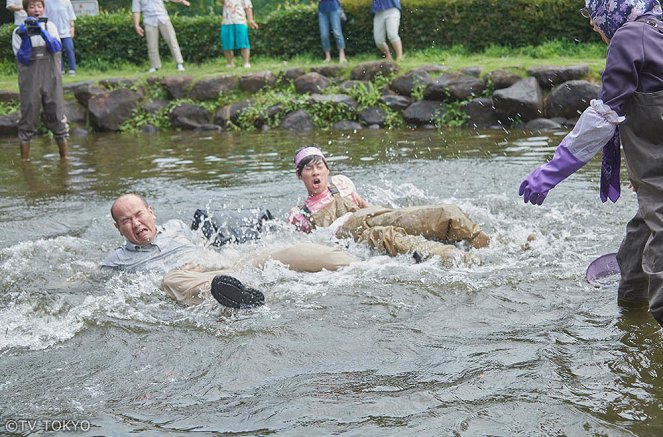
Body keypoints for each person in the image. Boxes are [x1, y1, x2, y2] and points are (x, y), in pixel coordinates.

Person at [518, 0, 663, 327]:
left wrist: (551, 171)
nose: (592, 25)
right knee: (636, 256)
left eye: (593, 17)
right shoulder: (654, 31)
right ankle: (633, 324)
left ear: (612, 12)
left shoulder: (628, 38)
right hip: (655, 177)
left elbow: (603, 118)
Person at [102, 193, 358, 307]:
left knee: (279, 252)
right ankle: (233, 296)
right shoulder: (117, 261)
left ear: (150, 212)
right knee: (170, 279)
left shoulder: (176, 227)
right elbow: (84, 280)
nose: (135, 224)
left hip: (219, 265)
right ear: (118, 227)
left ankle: (359, 265)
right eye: (126, 221)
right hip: (190, 282)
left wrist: (207, 256)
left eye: (138, 214)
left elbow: (204, 244)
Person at [288, 146, 490, 263]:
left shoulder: (342, 184)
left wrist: (393, 214)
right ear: (299, 176)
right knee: (386, 236)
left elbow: (366, 207)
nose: (315, 173)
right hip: (350, 237)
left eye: (319, 167)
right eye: (308, 169)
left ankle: (491, 245)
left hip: (370, 216)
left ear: (327, 169)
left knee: (439, 213)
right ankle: (457, 258)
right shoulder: (299, 214)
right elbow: (312, 250)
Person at [12, 0, 69, 161]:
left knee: (58, 117)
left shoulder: (50, 27)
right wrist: (25, 38)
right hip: (30, 81)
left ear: (43, 8)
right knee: (28, 118)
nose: (36, 9)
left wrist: (42, 32)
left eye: (39, 6)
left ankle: (64, 161)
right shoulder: (18, 31)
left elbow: (56, 47)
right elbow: (23, 58)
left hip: (52, 79)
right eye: (31, 6)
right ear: (25, 10)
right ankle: (25, 162)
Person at [131, 0, 189, 73]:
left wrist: (181, 1)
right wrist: (136, 25)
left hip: (163, 18)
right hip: (149, 20)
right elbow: (136, 10)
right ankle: (154, 66)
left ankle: (179, 63)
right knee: (152, 45)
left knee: (172, 41)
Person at [219, 0, 258, 68]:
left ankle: (246, 62)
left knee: (243, 43)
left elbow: (248, 7)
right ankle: (230, 63)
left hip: (240, 21)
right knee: (227, 43)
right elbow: (222, 2)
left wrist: (250, 20)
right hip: (226, 22)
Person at [45, 0, 76, 76]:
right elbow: (45, 17)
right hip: (53, 31)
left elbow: (71, 16)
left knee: (69, 48)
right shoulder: (47, 2)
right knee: (57, 50)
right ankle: (60, 69)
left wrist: (72, 28)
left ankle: (72, 69)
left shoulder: (66, 1)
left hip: (66, 31)